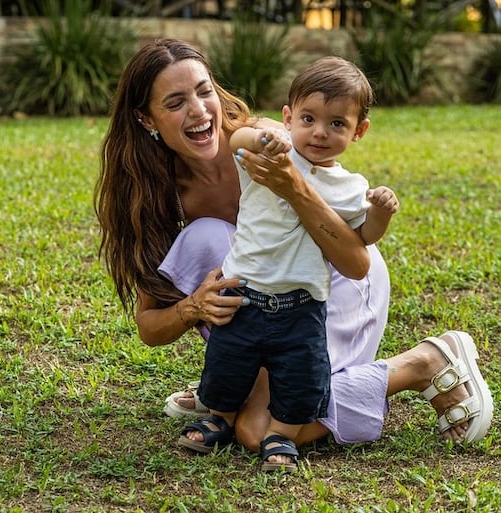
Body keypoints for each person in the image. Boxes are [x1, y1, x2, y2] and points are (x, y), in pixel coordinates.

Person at [94, 38, 493, 470]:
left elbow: (356, 264)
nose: (199, 111)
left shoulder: (270, 144)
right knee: (204, 236)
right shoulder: (158, 194)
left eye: (204, 91)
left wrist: (291, 185)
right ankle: (241, 377)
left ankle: (422, 363)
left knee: (255, 433)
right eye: (175, 102)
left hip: (330, 284)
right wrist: (193, 306)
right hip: (262, 307)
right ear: (145, 118)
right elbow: (150, 326)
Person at [180, 56, 399, 471]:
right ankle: (218, 419)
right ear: (288, 117)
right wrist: (266, 140)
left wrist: (381, 213)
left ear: (359, 131)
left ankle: (281, 435)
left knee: (301, 374)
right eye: (309, 118)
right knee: (228, 362)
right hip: (245, 292)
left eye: (337, 124)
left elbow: (362, 241)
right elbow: (237, 140)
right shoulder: (270, 155)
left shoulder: (352, 187)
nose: (319, 132)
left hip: (304, 304)